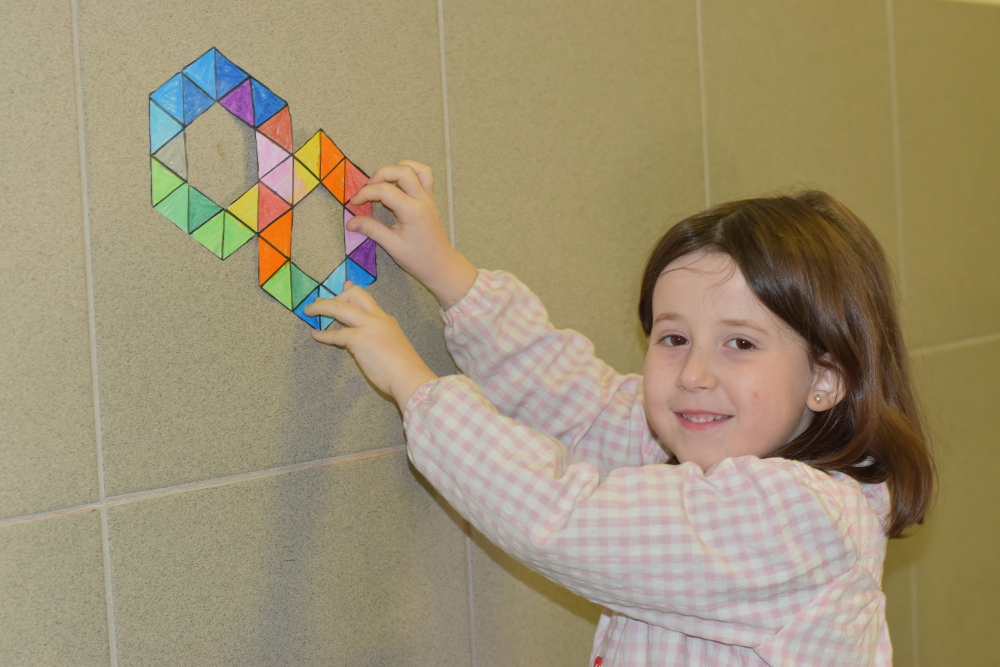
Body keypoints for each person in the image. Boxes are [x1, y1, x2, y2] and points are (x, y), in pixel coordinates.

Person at [304, 160, 936, 666]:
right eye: (674, 337)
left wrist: (413, 384)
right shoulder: (697, 448)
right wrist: (447, 273)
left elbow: (561, 516)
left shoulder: (796, 521)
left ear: (825, 378)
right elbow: (579, 403)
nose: (694, 375)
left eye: (740, 344)